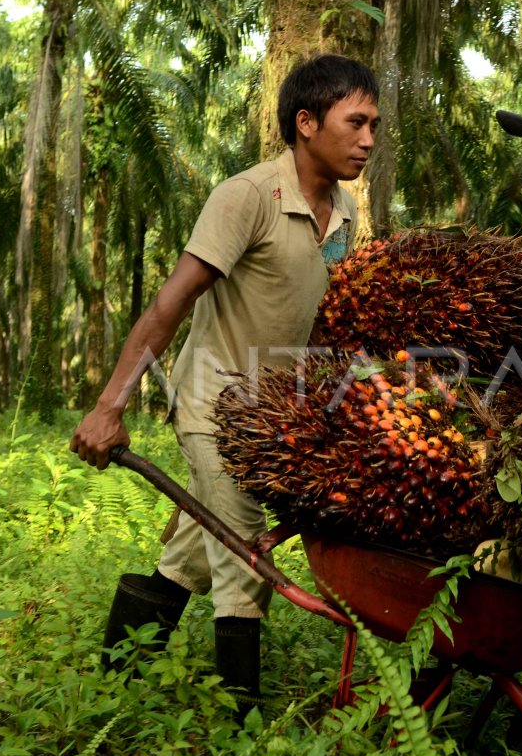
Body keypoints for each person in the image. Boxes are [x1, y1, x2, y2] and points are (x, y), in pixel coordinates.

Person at [70, 54, 380, 708]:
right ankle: (239, 726)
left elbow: (322, 323)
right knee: (244, 555)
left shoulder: (345, 213)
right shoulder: (247, 197)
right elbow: (170, 304)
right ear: (305, 122)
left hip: (272, 416)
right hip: (214, 402)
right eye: (355, 123)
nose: (368, 139)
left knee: (188, 551)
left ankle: (116, 690)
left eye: (373, 124)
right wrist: (108, 406)